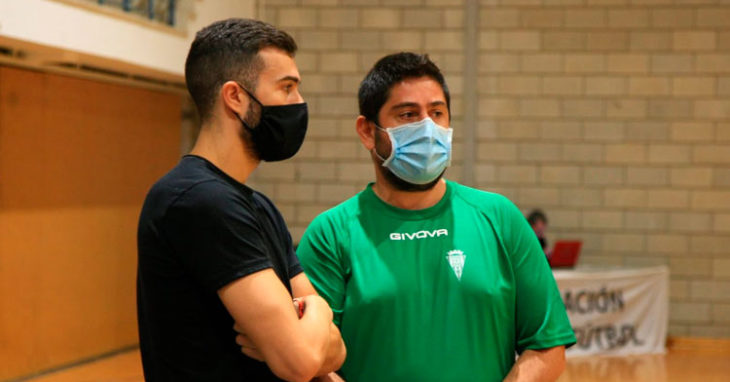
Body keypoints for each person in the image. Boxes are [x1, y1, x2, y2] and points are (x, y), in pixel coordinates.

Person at [296, 53, 575, 381]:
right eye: (408, 114)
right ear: (367, 132)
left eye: (437, 113)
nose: (427, 128)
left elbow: (546, 346)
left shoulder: (500, 218)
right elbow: (310, 359)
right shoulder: (331, 234)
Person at [137, 19, 345, 381]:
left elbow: (335, 351)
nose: (299, 103)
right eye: (287, 88)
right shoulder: (198, 200)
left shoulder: (258, 206)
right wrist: (317, 308)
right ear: (235, 97)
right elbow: (299, 362)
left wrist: (309, 324)